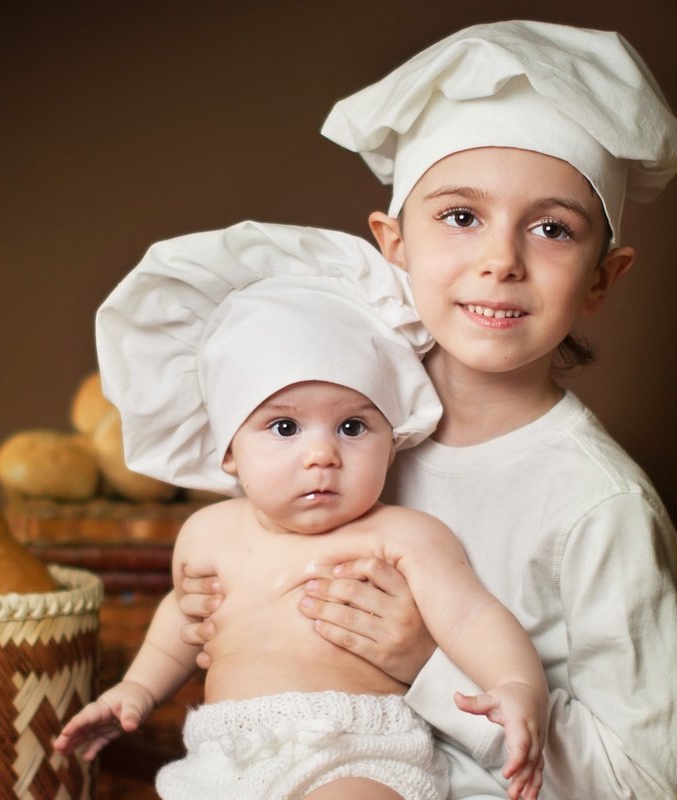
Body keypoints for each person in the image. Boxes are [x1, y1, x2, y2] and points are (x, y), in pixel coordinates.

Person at [178, 20, 677, 799]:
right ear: (392, 241)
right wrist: (221, 607)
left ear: (602, 279)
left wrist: (424, 666)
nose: (500, 260)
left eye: (551, 229)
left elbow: (644, 780)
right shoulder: (331, 420)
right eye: (461, 216)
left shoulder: (597, 506)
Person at [54, 225, 549, 800]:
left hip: (355, 752)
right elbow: (185, 627)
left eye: (353, 426)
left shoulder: (403, 536)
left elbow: (471, 620)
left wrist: (516, 686)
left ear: (393, 438)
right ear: (230, 452)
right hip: (223, 759)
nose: (322, 455)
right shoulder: (208, 534)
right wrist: (137, 690)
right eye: (284, 427)